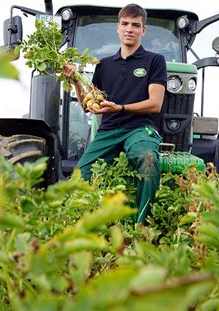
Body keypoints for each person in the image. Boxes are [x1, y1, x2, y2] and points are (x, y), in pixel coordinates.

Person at [64, 3, 167, 224]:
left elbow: (155, 103)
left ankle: (142, 226)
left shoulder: (154, 61)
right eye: (125, 24)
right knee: (79, 177)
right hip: (108, 130)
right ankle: (75, 225)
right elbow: (87, 106)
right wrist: (75, 81)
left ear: (143, 30)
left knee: (147, 161)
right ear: (118, 28)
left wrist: (120, 107)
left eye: (135, 25)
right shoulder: (104, 65)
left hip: (139, 128)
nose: (130, 29)